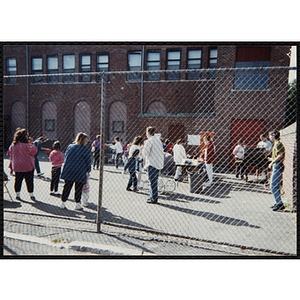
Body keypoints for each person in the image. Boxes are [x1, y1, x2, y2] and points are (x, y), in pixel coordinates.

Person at [60, 132, 92, 210]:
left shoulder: (70, 146)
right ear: (84, 140)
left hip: (69, 169)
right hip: (80, 170)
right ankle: (77, 204)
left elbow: (66, 156)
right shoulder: (85, 150)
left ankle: (63, 203)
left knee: (67, 187)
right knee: (78, 188)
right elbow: (88, 161)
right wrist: (88, 170)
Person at [7, 128, 38, 200]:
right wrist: (32, 144)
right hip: (28, 165)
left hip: (17, 165)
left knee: (18, 180)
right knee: (29, 180)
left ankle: (17, 194)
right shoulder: (28, 145)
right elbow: (34, 151)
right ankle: (31, 194)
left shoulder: (13, 145)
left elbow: (9, 152)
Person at [143, 126, 164, 204]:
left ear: (148, 133)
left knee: (152, 181)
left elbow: (146, 152)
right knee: (155, 181)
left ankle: (153, 198)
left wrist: (144, 145)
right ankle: (153, 196)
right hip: (158, 163)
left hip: (151, 163)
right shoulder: (158, 141)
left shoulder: (149, 140)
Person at [268, 130, 285, 212]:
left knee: (273, 186)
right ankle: (277, 202)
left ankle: (279, 203)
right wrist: (271, 159)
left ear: (274, 135)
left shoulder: (278, 143)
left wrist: (272, 162)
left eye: (270, 135)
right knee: (276, 186)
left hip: (277, 165)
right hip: (276, 165)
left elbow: (280, 155)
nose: (269, 137)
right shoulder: (275, 144)